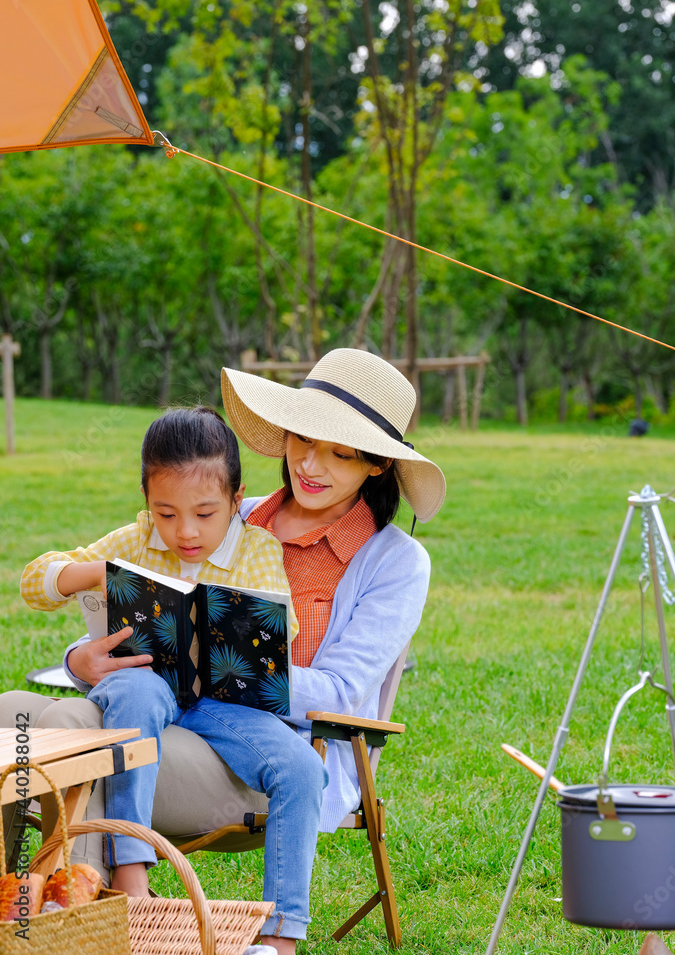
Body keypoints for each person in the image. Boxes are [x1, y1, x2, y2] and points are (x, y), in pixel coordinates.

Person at [2, 349, 446, 954]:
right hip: (157, 709)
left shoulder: (393, 561)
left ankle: (66, 921)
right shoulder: (225, 507)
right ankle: (33, 914)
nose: (311, 465)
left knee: (64, 729)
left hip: (261, 740)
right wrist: (83, 658)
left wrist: (226, 660)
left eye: (341, 452)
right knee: (15, 713)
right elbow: (125, 593)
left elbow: (341, 693)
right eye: (302, 440)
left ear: (376, 464)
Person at [19, 406, 298, 898]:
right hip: (145, 690)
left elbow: (283, 631)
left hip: (223, 706)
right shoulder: (136, 540)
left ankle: (281, 929)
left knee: (303, 770)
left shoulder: (258, 549)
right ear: (148, 501)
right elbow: (34, 583)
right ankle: (129, 868)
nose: (185, 532)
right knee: (138, 689)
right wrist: (90, 574)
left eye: (205, 514)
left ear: (236, 500)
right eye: (167, 514)